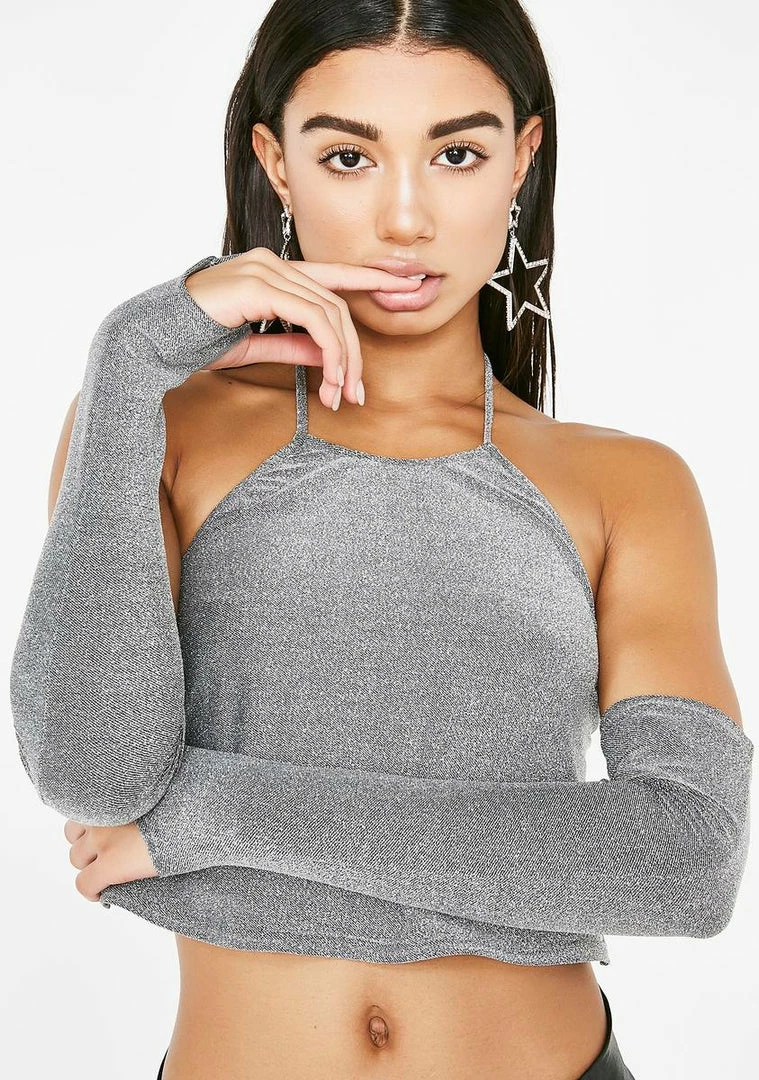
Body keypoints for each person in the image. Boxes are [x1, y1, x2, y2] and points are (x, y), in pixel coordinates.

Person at [10, 2, 753, 1078]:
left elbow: (683, 862)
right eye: (349, 157)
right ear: (276, 163)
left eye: (456, 154)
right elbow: (94, 775)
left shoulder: (627, 485)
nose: (405, 219)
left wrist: (208, 811)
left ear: (521, 161)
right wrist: (130, 353)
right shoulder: (154, 426)